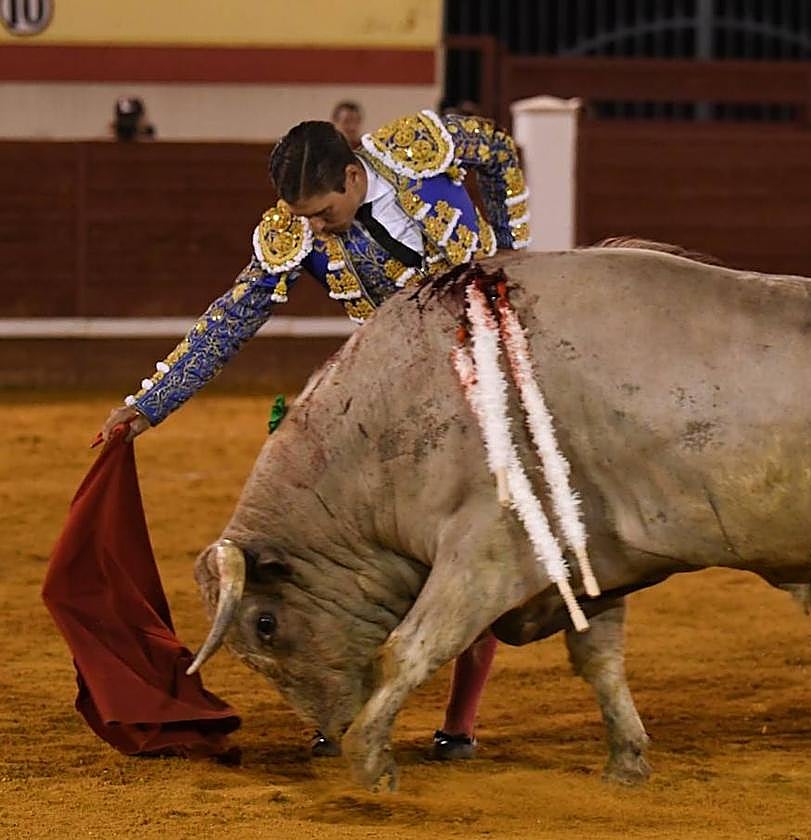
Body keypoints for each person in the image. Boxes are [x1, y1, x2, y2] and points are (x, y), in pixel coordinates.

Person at [98, 108, 531, 760]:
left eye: (322, 211)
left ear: (355, 177)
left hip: (478, 376)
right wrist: (149, 404)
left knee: (474, 540)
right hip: (390, 384)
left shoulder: (423, 157)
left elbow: (498, 152)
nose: (313, 227)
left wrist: (511, 249)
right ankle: (341, 705)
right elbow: (232, 317)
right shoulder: (295, 229)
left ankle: (460, 722)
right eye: (301, 215)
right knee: (337, 550)